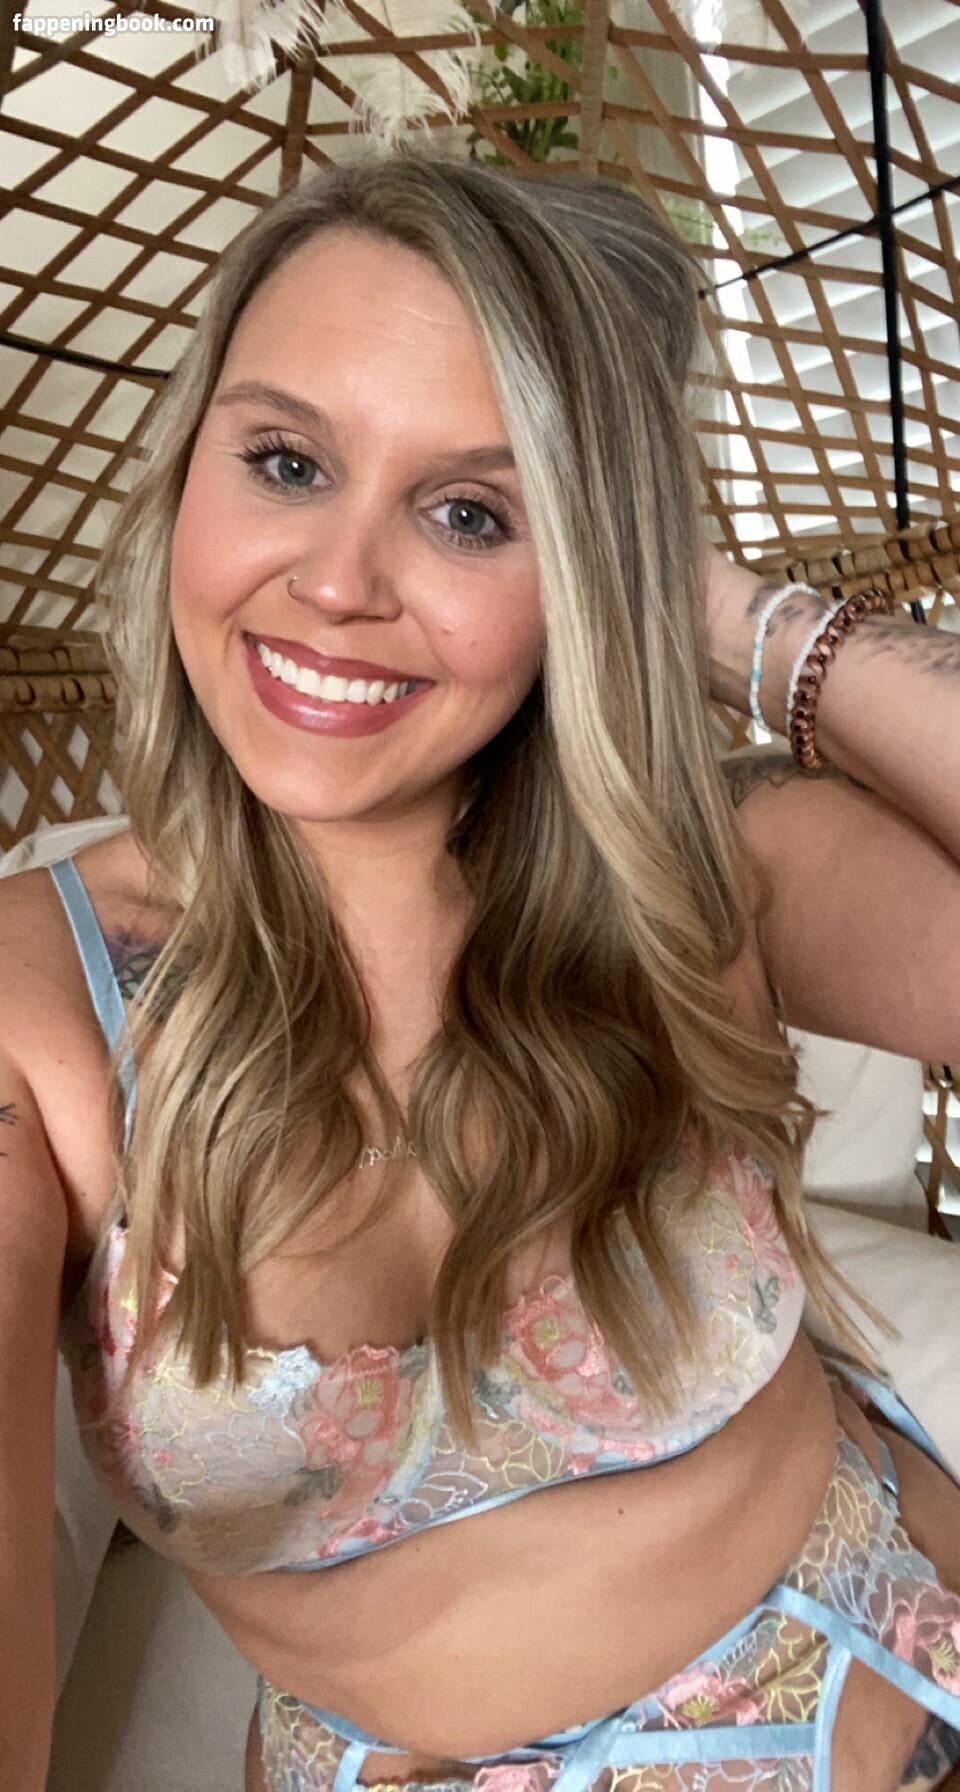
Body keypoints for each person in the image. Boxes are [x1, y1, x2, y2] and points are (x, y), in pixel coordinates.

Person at [1, 145, 959, 1792]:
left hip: (894, 1664)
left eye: (470, 512)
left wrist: (706, 607)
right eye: (288, 462)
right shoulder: (42, 1007)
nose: (339, 584)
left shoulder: (699, 869)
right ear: (187, 477)